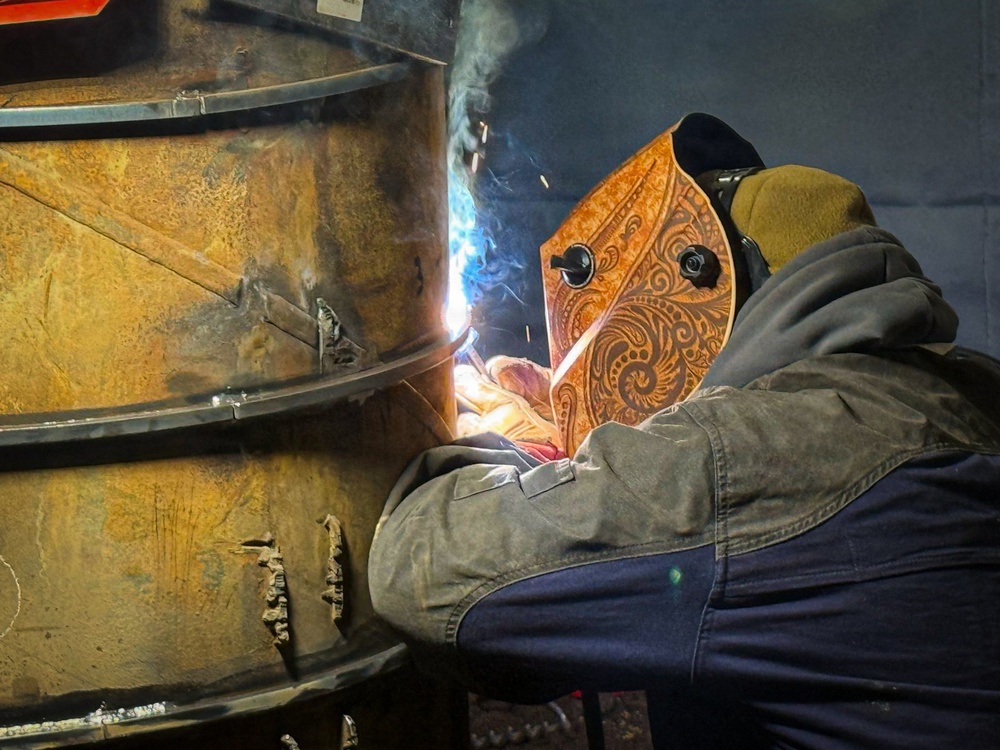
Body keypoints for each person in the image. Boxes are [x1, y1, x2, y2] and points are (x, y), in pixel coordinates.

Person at [369, 114, 1000, 749]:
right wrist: (587, 449)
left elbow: (424, 571)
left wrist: (522, 449)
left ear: (708, 285)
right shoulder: (966, 390)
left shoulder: (755, 455)